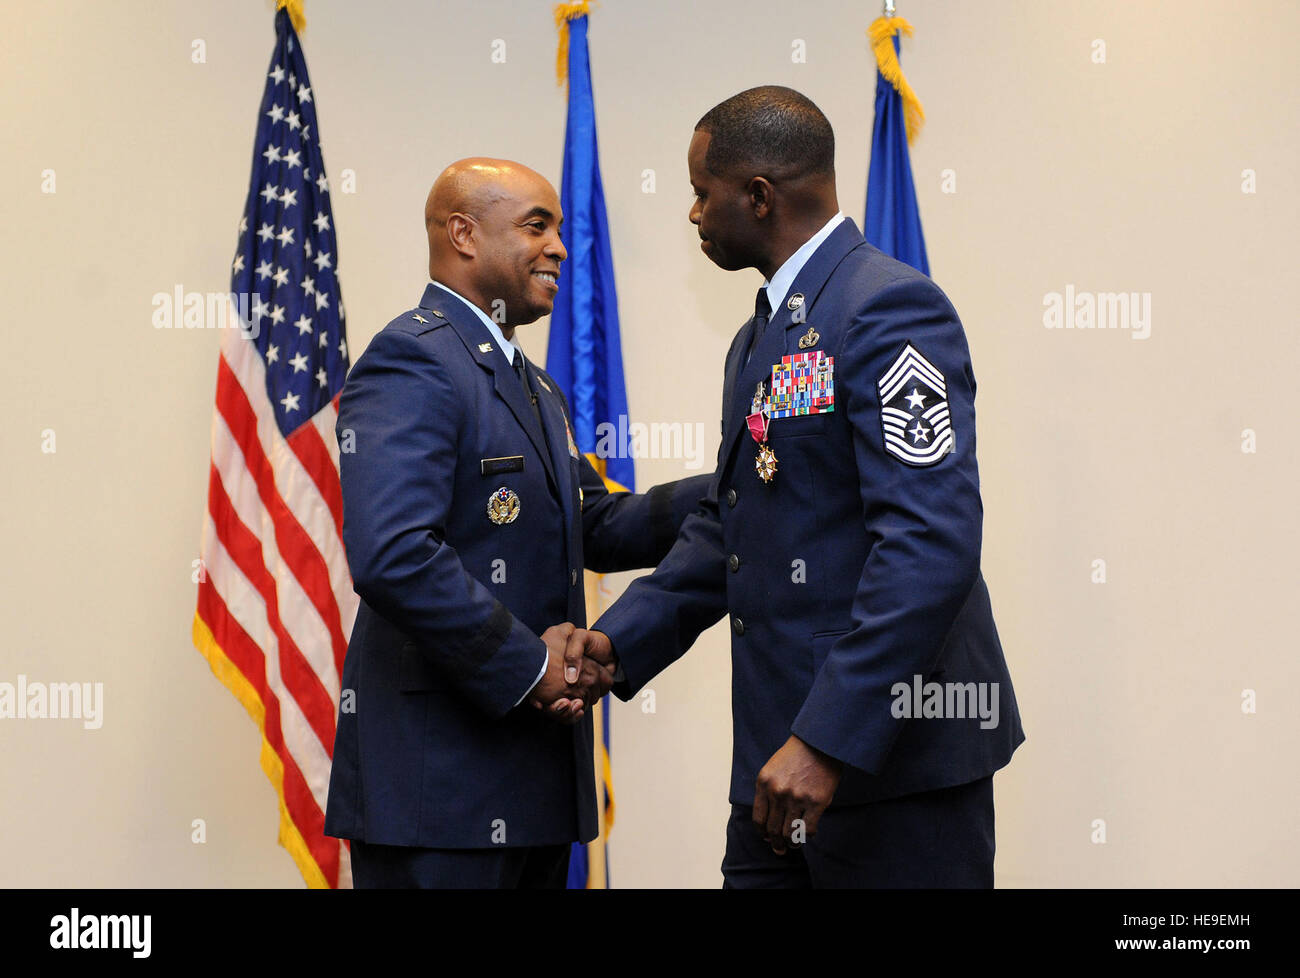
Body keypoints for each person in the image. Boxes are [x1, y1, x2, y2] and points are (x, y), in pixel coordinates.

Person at [569, 87, 1025, 887]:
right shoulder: (758, 337)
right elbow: (734, 522)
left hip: (886, 769)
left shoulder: (889, 309)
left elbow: (930, 547)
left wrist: (829, 739)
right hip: (779, 767)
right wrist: (620, 642)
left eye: (700, 192)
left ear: (758, 196)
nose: (692, 215)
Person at [324, 158, 710, 888]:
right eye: (538, 226)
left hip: (529, 786)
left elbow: (594, 524)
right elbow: (393, 553)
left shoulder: (532, 385)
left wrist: (727, 490)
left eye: (559, 228)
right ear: (464, 234)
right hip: (439, 794)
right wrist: (530, 665)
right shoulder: (415, 358)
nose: (561, 246)